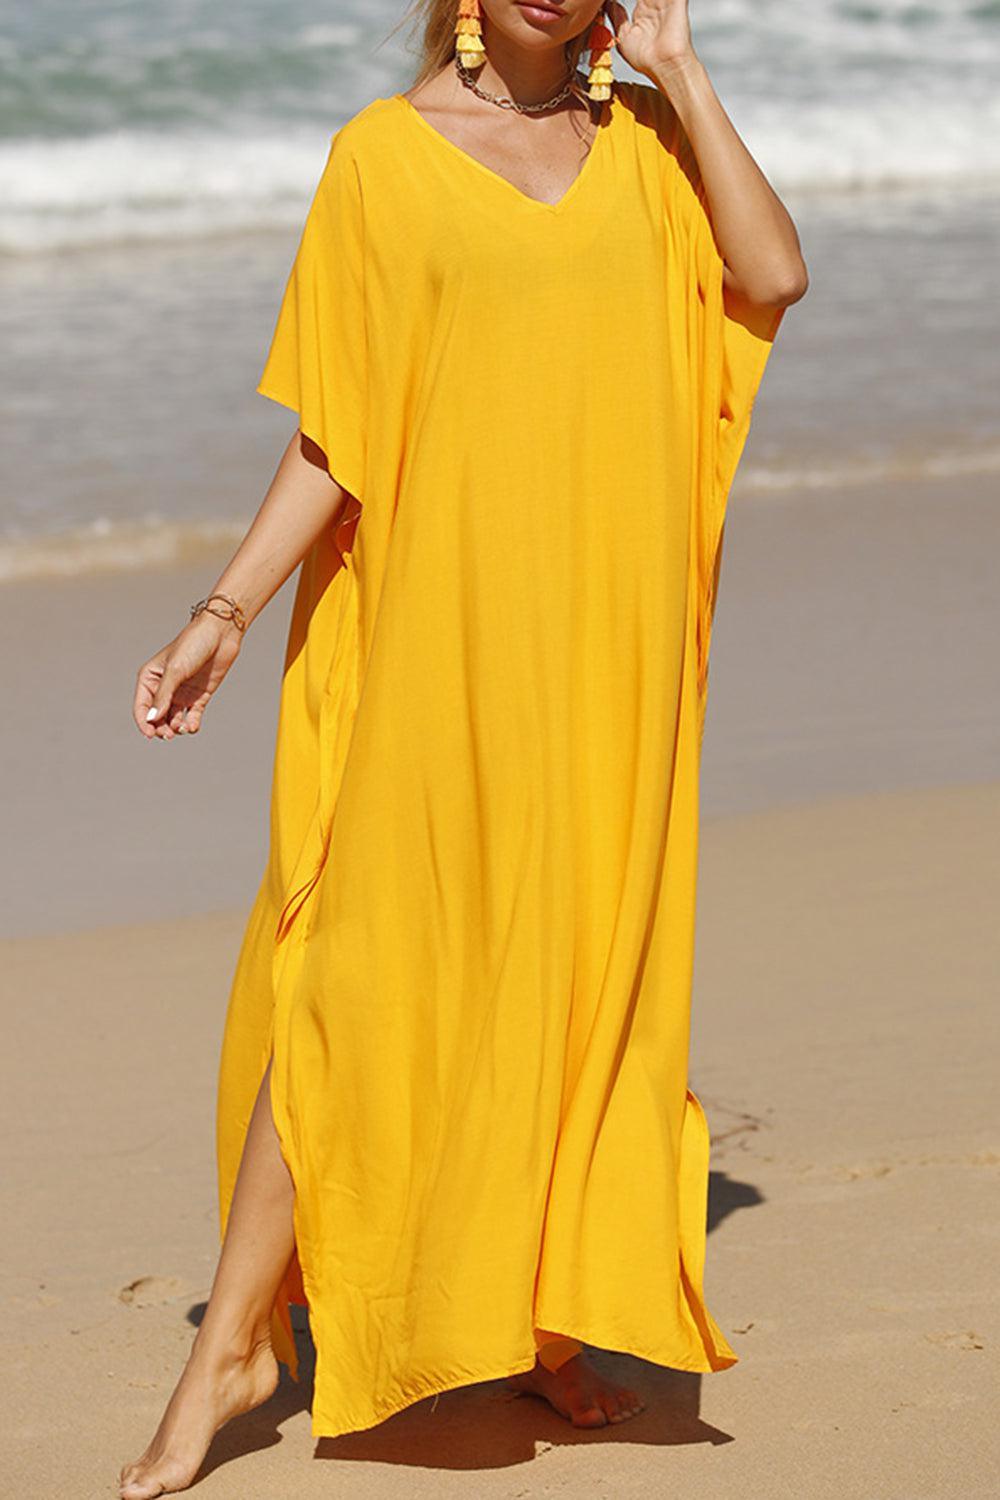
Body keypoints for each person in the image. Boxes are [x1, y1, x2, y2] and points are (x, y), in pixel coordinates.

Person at [121, 0, 807, 1493]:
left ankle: (549, 1316)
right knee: (358, 969)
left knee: (574, 965)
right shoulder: (383, 158)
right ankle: (232, 1342)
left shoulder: (648, 145)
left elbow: (772, 274)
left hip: (607, 645)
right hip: (437, 626)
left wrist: (681, 70)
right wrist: (228, 608)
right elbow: (337, 428)